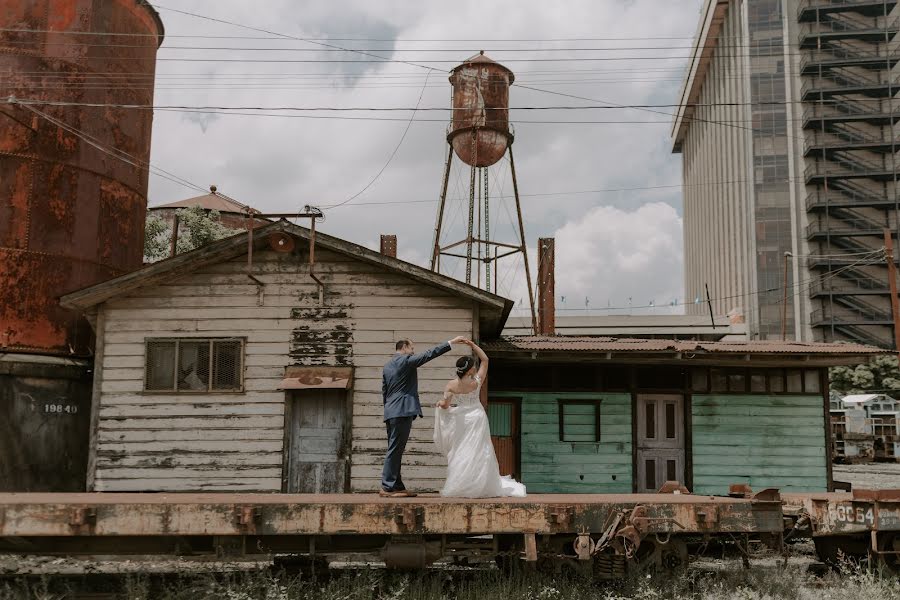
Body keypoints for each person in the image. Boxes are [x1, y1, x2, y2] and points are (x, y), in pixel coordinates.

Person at [434, 340, 526, 498]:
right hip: (477, 417)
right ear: (470, 369)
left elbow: (445, 405)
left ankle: (461, 485)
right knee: (480, 450)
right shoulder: (476, 381)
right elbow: (486, 359)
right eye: (473, 365)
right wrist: (472, 345)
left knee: (461, 450)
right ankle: (480, 484)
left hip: (461, 418)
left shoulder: (451, 385)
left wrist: (440, 403)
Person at [381, 336, 469, 498]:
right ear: (405, 347)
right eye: (412, 348)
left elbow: (385, 392)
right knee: (395, 449)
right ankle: (387, 487)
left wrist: (389, 409)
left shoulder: (387, 366)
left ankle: (397, 485)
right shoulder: (405, 360)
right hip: (402, 410)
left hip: (391, 411)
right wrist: (451, 342)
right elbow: (429, 354)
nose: (413, 351)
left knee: (395, 449)